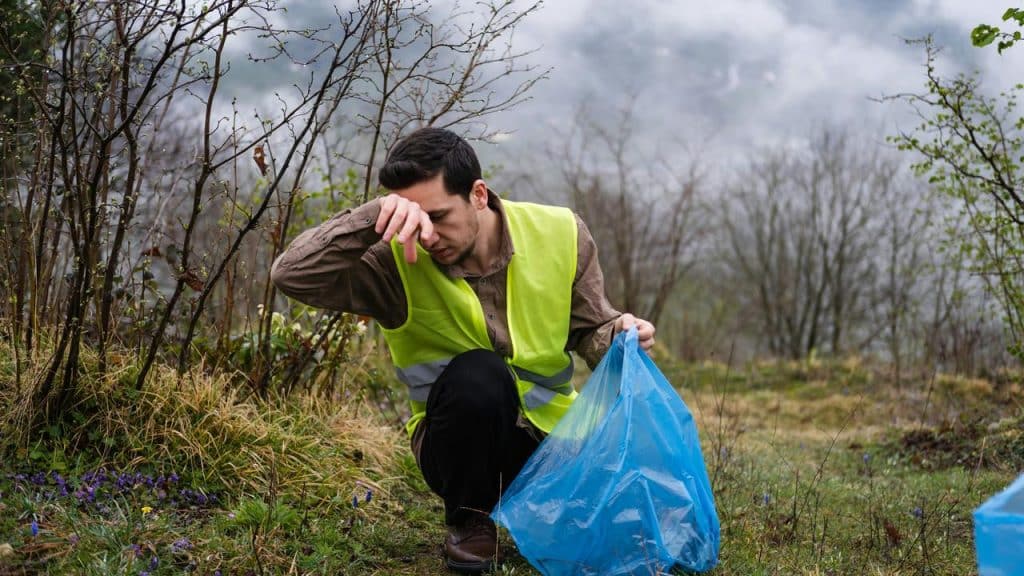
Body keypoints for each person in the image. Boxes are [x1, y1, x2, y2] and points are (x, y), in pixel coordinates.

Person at [271, 127, 656, 573]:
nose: (428, 235)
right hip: (456, 450)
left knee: (629, 537)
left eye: (437, 216)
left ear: (477, 194)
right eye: (416, 218)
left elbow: (593, 328)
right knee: (479, 373)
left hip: (556, 445)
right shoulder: (393, 261)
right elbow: (291, 276)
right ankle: (471, 522)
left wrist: (622, 333)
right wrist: (374, 216)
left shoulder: (559, 233)